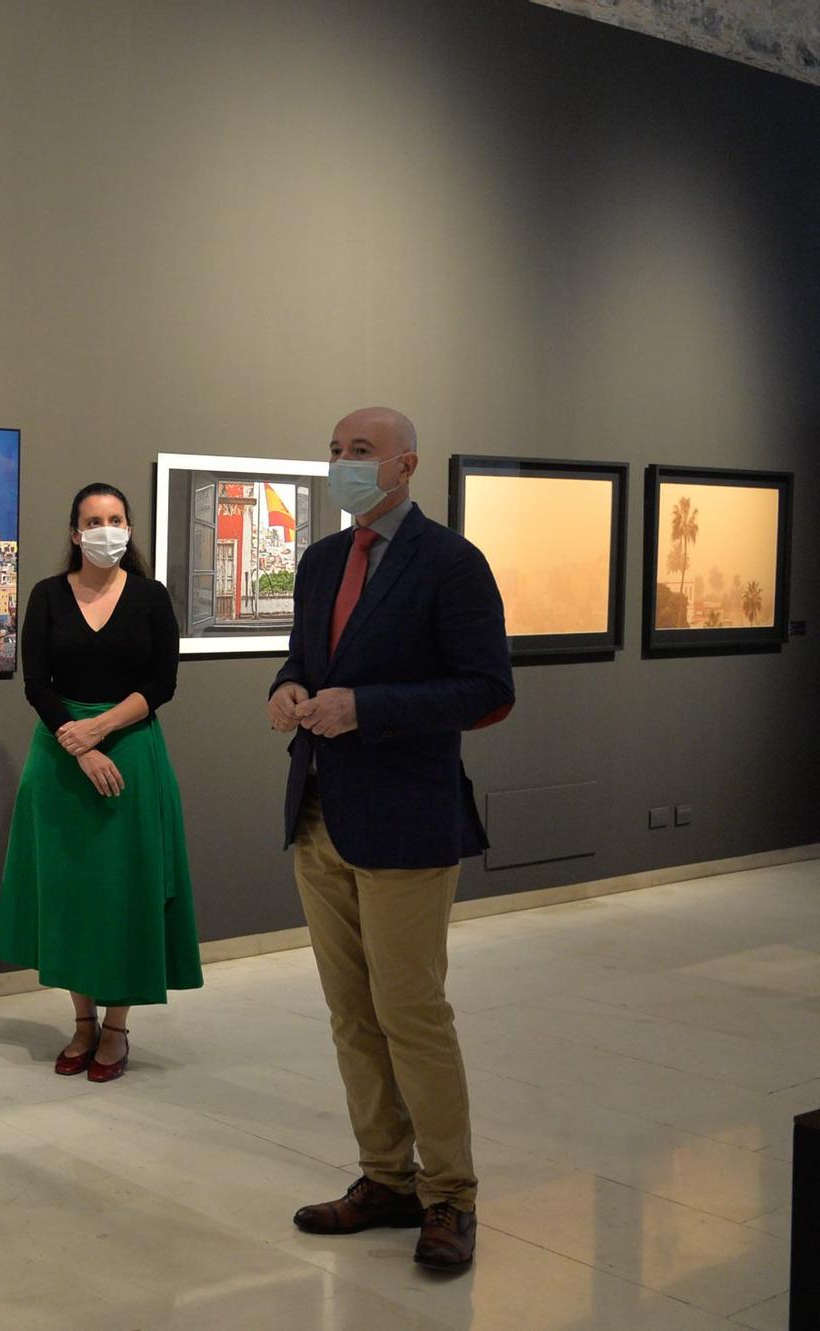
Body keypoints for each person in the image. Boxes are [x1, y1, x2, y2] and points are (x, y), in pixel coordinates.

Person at [267, 407, 513, 1271]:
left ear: (406, 464)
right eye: (334, 450)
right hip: (319, 812)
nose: (342, 464)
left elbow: (487, 689)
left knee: (412, 1013)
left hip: (406, 817)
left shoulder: (450, 562)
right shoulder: (321, 559)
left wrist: (367, 709)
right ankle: (386, 1176)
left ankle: (450, 1195)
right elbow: (304, 658)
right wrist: (288, 688)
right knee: (350, 1015)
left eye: (359, 452)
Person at [0, 482, 203, 1082]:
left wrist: (101, 730)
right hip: (60, 758)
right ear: (73, 531)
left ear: (130, 528)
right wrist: (78, 743)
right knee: (70, 891)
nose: (105, 529)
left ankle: (116, 1027)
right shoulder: (48, 595)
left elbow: (163, 684)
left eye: (115, 519)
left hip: (132, 751)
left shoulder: (150, 598)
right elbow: (38, 683)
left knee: (125, 890)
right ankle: (80, 1023)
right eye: (93, 520)